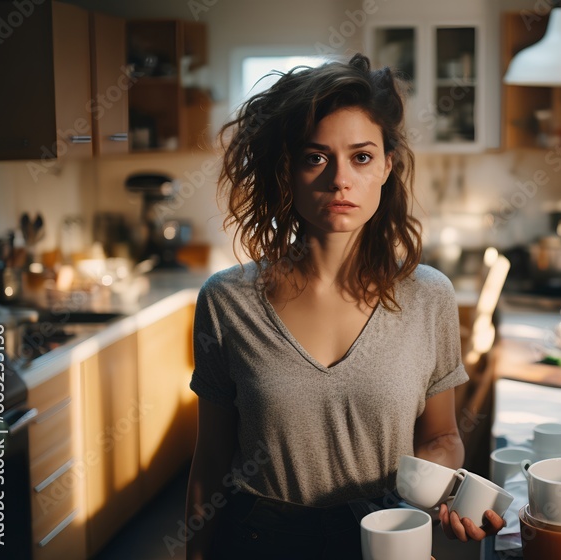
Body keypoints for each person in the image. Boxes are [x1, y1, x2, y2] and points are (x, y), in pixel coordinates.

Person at [185, 53, 505, 559]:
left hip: (386, 537)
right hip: (257, 540)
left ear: (386, 166)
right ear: (287, 169)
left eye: (360, 156)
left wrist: (445, 493)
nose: (340, 179)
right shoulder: (227, 301)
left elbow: (441, 435)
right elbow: (210, 462)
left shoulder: (429, 296)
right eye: (315, 157)